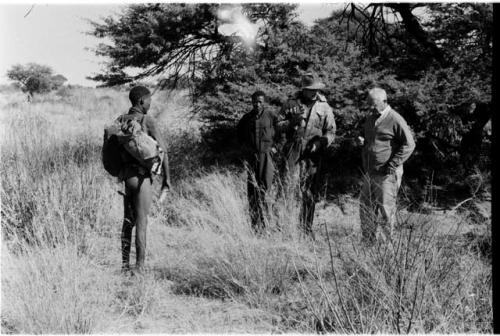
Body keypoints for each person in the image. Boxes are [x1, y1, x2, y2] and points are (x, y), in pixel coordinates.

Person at [119, 85, 171, 273]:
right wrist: (167, 180)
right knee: (141, 222)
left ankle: (125, 265)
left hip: (126, 178)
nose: (150, 103)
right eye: (149, 100)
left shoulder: (121, 120)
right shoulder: (147, 120)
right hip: (142, 179)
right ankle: (139, 267)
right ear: (141, 101)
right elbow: (163, 150)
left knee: (127, 221)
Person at [278, 73, 336, 236]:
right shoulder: (290, 103)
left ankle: (306, 229)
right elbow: (277, 125)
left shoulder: (324, 107)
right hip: (293, 150)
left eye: (317, 88)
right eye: (311, 89)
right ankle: (285, 226)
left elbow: (331, 132)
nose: (315, 92)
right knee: (288, 186)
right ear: (303, 89)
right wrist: (291, 122)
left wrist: (320, 143)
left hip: (313, 154)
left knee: (309, 190)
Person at [358, 87, 415, 244]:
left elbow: (409, 144)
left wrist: (393, 164)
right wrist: (363, 142)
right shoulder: (371, 118)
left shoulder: (395, 119)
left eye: (373, 104)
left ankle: (387, 248)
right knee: (365, 208)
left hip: (386, 173)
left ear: (384, 102)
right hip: (370, 171)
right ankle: (368, 244)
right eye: (368, 104)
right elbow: (372, 139)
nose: (370, 107)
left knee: (385, 210)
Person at [237, 90, 280, 232]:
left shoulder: (271, 116)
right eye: (255, 101)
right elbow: (238, 137)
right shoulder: (246, 119)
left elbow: (282, 133)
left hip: (267, 157)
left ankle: (269, 224)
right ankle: (255, 226)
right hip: (252, 158)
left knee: (266, 190)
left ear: (265, 102)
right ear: (251, 102)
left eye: (260, 101)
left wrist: (275, 148)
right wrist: (244, 152)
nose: (257, 104)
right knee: (252, 191)